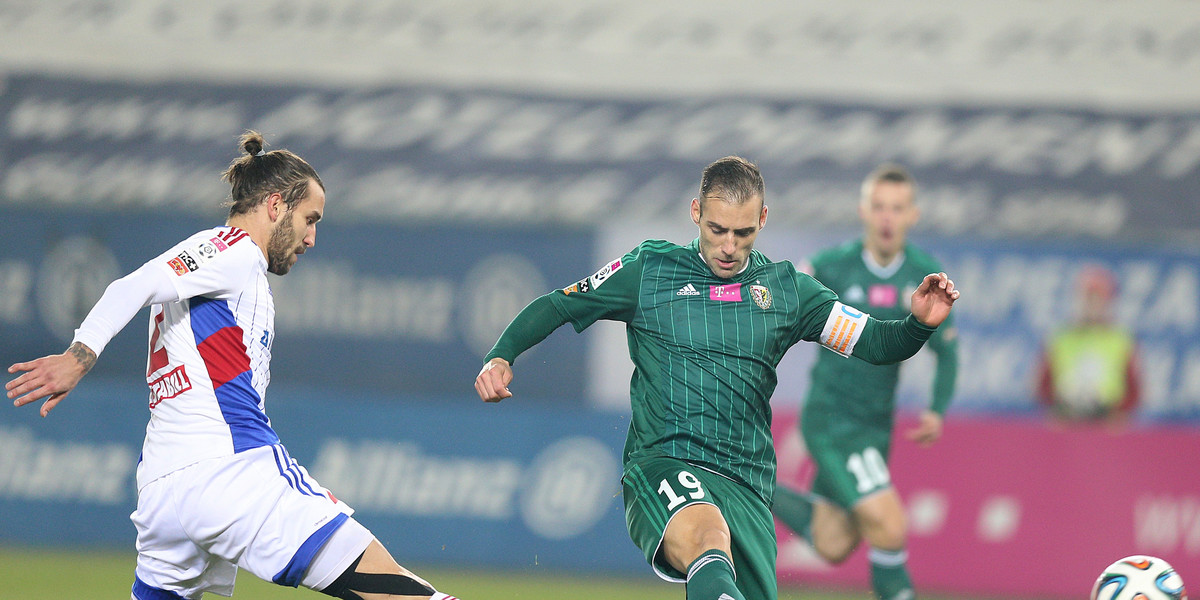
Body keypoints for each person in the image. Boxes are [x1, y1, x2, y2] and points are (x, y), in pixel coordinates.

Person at [473, 156, 960, 600]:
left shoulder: (789, 291)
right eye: (717, 229)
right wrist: (501, 356)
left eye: (743, 233)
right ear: (695, 213)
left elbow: (876, 343)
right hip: (664, 462)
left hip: (747, 485)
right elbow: (559, 304)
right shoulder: (650, 270)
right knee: (709, 539)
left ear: (763, 221)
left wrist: (918, 323)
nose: (728, 247)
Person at [6, 131, 459, 600]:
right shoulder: (232, 250)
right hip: (230, 472)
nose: (312, 236)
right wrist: (79, 356)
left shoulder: (229, 272)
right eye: (310, 218)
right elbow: (131, 286)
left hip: (164, 487)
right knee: (396, 590)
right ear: (276, 205)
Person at [772, 164, 959, 600]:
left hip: (876, 427)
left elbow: (947, 351)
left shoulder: (925, 274)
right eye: (878, 207)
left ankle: (745, 485)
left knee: (835, 543)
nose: (887, 217)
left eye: (897, 208)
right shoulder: (829, 267)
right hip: (833, 422)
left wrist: (937, 408)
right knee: (891, 525)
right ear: (863, 211)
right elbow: (782, 315)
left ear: (913, 214)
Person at [1035, 263, 1140, 427]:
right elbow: (1042, 385)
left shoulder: (1120, 339)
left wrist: (1119, 413)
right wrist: (1056, 408)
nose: (1091, 305)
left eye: (1097, 299)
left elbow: (1134, 390)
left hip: (1107, 420)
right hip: (1067, 418)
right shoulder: (1061, 337)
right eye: (1086, 298)